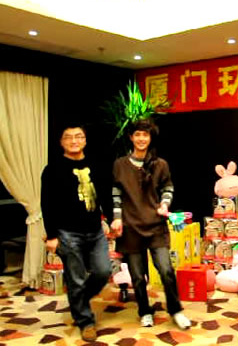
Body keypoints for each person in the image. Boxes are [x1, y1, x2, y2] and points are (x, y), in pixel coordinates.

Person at [112, 119, 191, 329]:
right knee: (138, 276)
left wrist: (165, 204)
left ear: (150, 138)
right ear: (131, 137)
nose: (141, 139)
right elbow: (116, 193)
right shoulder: (120, 164)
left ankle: (176, 310)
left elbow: (168, 188)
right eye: (137, 134)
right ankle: (144, 311)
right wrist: (117, 217)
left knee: (166, 270)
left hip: (156, 225)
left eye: (145, 135)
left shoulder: (160, 164)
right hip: (131, 226)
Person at [41, 124, 115, 342]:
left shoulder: (96, 164)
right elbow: (47, 204)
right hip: (68, 233)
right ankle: (86, 321)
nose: (74, 141)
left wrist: (113, 219)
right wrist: (51, 236)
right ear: (61, 142)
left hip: (95, 231)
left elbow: (105, 195)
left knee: (103, 271)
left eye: (79, 136)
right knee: (76, 278)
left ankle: (78, 301)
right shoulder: (52, 169)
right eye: (69, 137)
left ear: (85, 140)